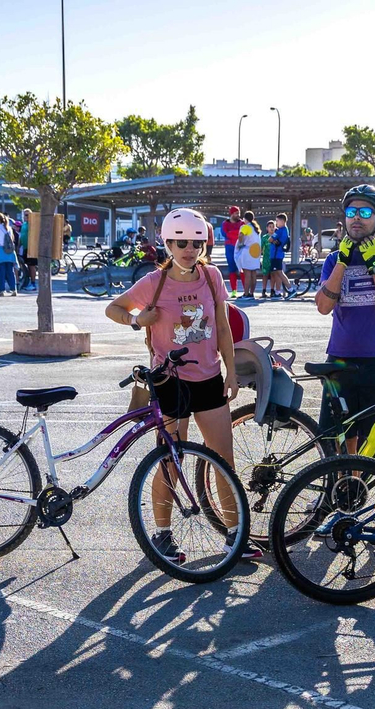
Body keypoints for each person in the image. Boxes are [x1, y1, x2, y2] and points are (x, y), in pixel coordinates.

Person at [103, 207, 253, 563]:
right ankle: (163, 535)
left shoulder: (212, 276)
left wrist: (230, 370)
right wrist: (137, 320)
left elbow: (221, 326)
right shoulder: (153, 283)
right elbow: (114, 309)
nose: (189, 248)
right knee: (171, 461)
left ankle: (235, 536)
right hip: (169, 382)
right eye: (181, 242)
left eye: (196, 242)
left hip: (208, 378)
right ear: (168, 243)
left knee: (223, 461)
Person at [315, 184, 375, 455]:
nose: (357, 217)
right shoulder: (333, 260)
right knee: (340, 443)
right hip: (339, 362)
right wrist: (343, 263)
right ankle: (345, 496)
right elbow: (323, 306)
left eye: (365, 212)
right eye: (351, 211)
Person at [0, 212, 18, 295]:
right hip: (10, 251)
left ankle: (2, 290)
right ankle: (14, 289)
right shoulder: (9, 228)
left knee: (1, 271)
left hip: (0, 252)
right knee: (10, 271)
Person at [235, 211, 262, 298]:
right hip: (256, 253)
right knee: (253, 273)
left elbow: (240, 235)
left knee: (247, 274)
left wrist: (240, 243)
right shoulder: (256, 228)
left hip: (248, 252)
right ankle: (251, 293)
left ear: (245, 219)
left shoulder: (245, 227)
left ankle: (246, 294)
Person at [220, 206, 242, 296]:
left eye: (239, 213)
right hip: (229, 248)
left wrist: (231, 233)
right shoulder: (225, 223)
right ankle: (234, 291)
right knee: (232, 269)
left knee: (242, 269)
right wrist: (236, 233)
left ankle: (246, 291)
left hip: (240, 247)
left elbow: (241, 234)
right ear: (232, 214)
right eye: (237, 213)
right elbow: (225, 234)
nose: (238, 215)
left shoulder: (242, 223)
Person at [267, 212, 290, 297]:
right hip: (276, 254)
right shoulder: (284, 230)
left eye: (277, 221)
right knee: (276, 273)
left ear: (283, 221)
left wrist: (273, 239)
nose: (276, 223)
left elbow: (270, 239)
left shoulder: (280, 230)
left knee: (279, 273)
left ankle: (290, 289)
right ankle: (277, 291)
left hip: (277, 255)